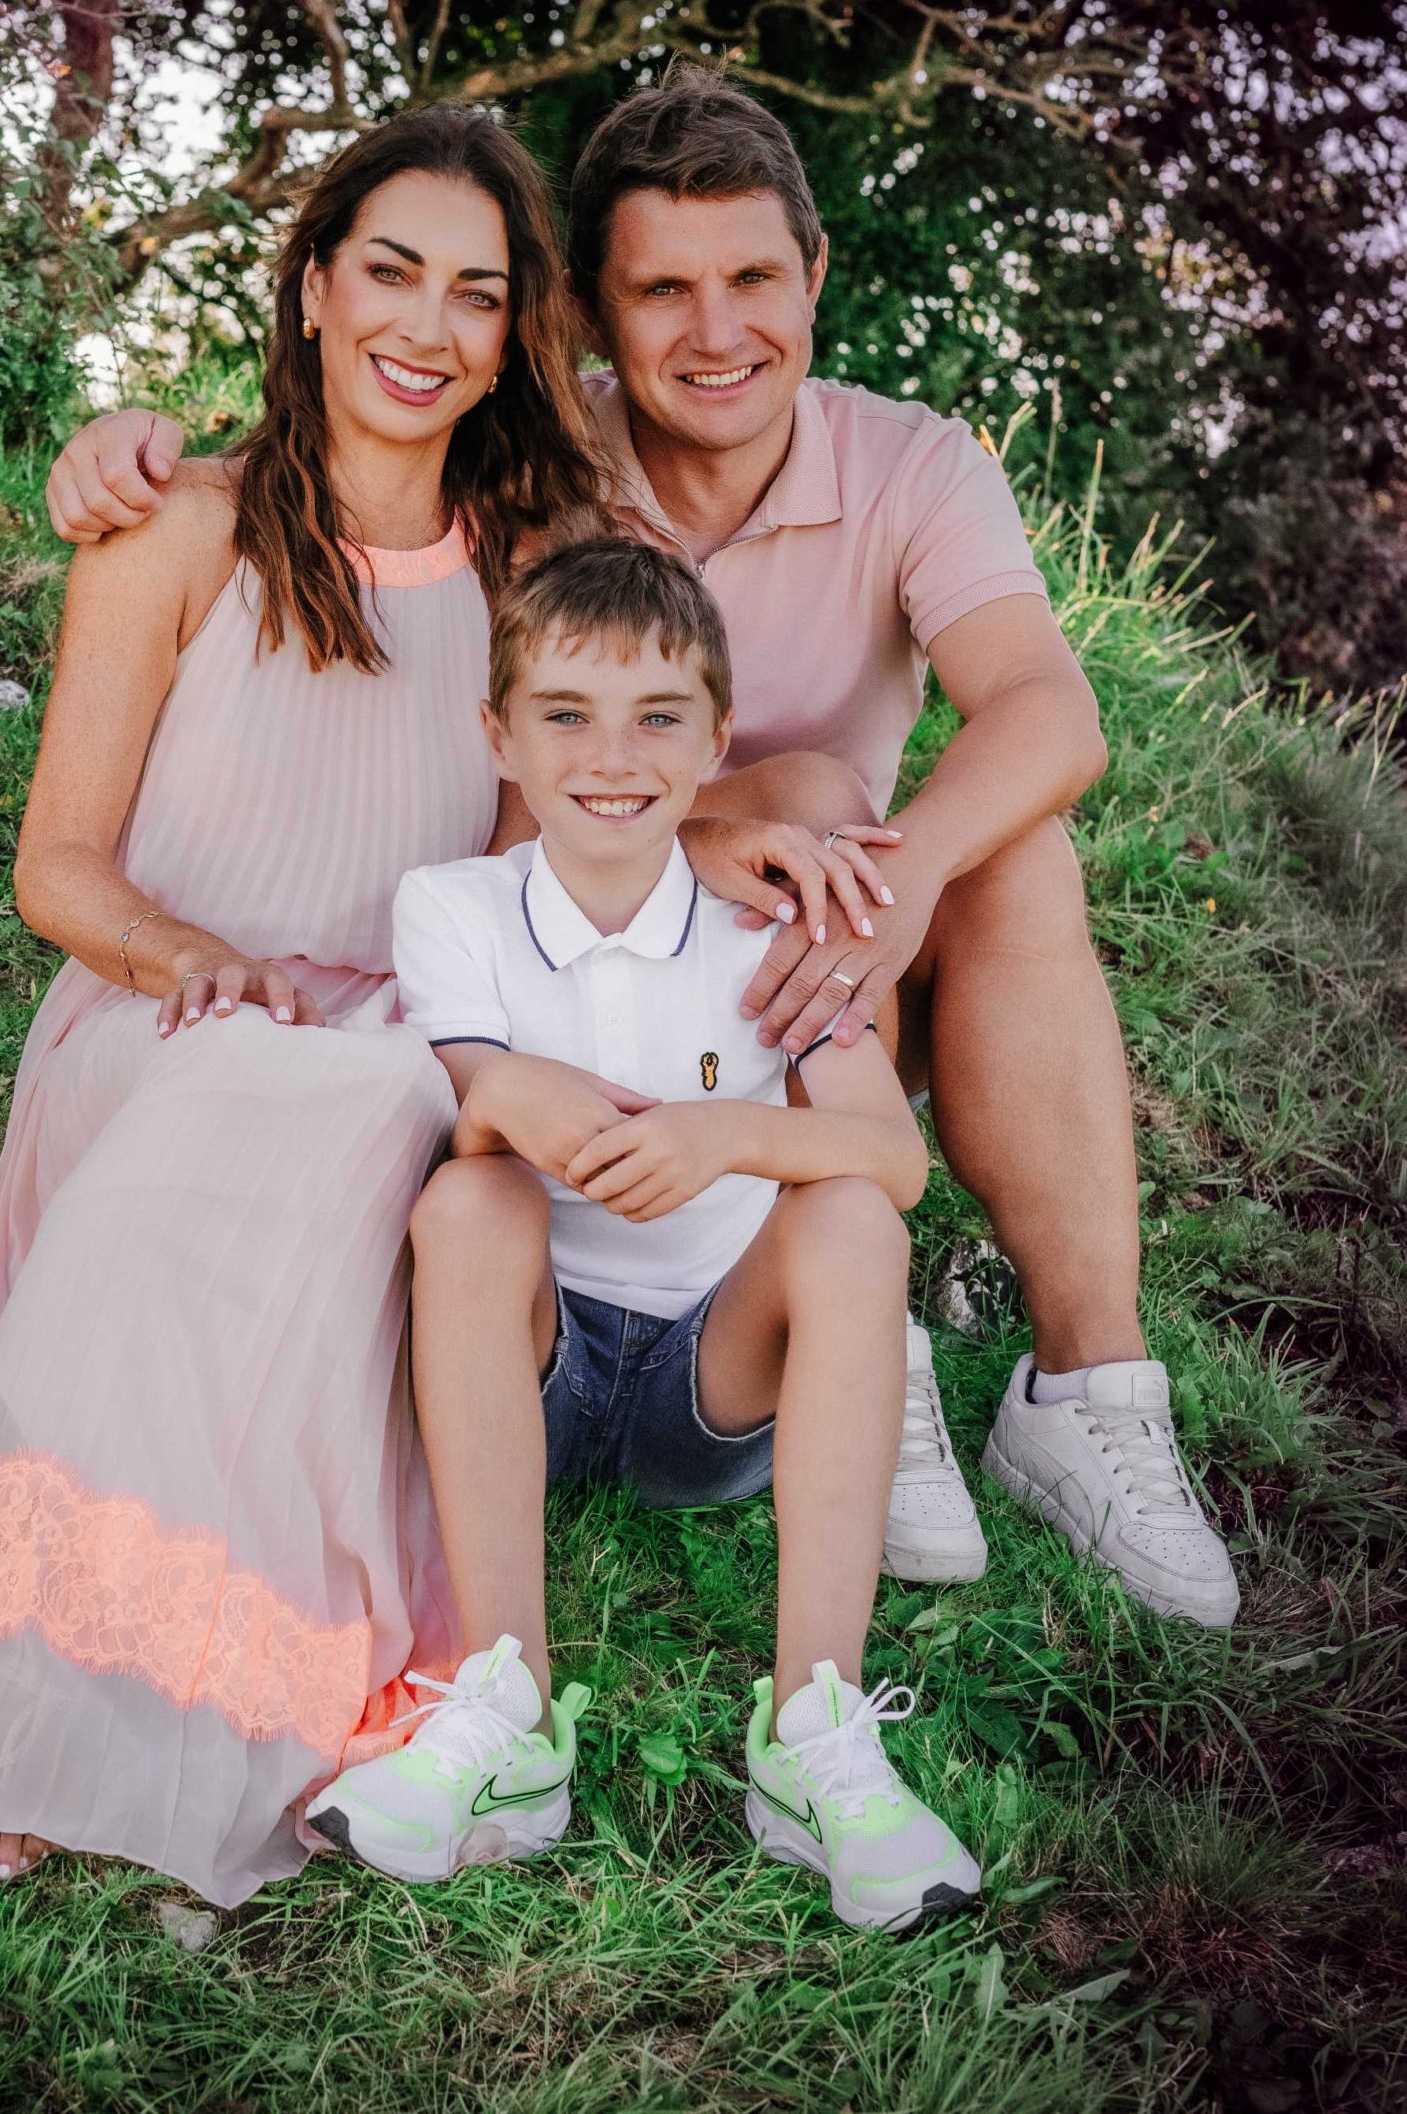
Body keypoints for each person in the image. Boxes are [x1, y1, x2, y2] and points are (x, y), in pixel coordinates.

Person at [0, 107, 692, 1903]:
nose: (428, 326)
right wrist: (189, 963)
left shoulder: (529, 577)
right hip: (158, 1017)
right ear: (314, 284)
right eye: (392, 271)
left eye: (480, 296)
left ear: (518, 341)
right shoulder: (174, 525)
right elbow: (61, 868)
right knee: (231, 1084)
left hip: (390, 1056)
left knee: (344, 1104)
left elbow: (528, 882)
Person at [48, 69, 1242, 1630]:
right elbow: (357, 442)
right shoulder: (541, 465)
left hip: (823, 962)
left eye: (753, 277)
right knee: (810, 797)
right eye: (661, 290)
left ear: (814, 276)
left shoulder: (913, 462)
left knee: (1006, 847)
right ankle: (839, 1340)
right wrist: (132, 439)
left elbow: (1049, 714)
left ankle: (1083, 1389)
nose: (717, 329)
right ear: (595, 320)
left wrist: (907, 879)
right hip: (588, 942)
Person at [307, 537, 983, 1931]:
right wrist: (506, 1093)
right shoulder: (454, 909)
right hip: (530, 1378)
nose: (612, 755)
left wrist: (720, 1133)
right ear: (498, 736)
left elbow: (889, 1156)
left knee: (852, 1224)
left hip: (709, 1387)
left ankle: (813, 1733)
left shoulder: (765, 924)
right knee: (469, 1193)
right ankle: (508, 1709)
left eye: (658, 717)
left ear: (718, 737)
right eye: (564, 715)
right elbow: (449, 1107)